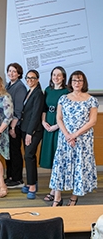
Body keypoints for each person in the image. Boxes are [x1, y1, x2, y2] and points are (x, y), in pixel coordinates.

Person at [50, 70, 98, 207]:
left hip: (83, 140)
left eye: (80, 80)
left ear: (84, 83)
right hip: (65, 138)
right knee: (60, 166)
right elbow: (59, 118)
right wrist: (67, 135)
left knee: (79, 166)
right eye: (74, 80)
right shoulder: (63, 98)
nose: (77, 83)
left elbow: (92, 121)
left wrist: (75, 135)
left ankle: (73, 199)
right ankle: (57, 198)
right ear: (70, 82)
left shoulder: (91, 100)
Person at [40, 66, 69, 202]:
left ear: (63, 77)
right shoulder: (47, 90)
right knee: (51, 158)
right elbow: (44, 108)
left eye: (59, 75)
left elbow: (67, 114)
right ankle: (55, 188)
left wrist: (57, 126)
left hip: (60, 128)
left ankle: (54, 191)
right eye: (53, 75)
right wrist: (44, 122)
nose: (56, 77)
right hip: (48, 126)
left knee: (59, 159)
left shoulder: (67, 92)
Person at [20, 70, 44, 199]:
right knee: (29, 156)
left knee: (29, 155)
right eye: (28, 78)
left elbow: (36, 114)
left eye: (32, 78)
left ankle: (32, 186)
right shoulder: (30, 92)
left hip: (34, 131)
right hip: (25, 129)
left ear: (38, 79)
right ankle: (31, 182)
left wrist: (30, 133)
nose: (30, 80)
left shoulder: (38, 94)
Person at [5, 63, 26, 189]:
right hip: (7, 125)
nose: (11, 73)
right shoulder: (8, 85)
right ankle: (10, 176)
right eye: (9, 71)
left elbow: (18, 110)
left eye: (14, 71)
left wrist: (13, 127)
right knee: (9, 152)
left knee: (15, 152)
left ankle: (17, 179)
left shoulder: (20, 87)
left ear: (19, 74)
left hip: (15, 126)